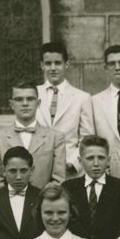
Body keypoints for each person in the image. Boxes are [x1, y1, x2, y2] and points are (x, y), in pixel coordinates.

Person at [62, 135, 120, 239]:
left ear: (108, 160)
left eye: (101, 158)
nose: (96, 163)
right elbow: (68, 222)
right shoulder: (68, 187)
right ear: (80, 160)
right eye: (90, 158)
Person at [0, 80, 66, 190]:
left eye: (30, 99)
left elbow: (59, 179)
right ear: (11, 104)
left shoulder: (55, 138)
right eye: (19, 99)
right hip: (8, 203)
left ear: (38, 103)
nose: (25, 103)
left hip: (42, 203)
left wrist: (43, 202)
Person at [36, 40, 93, 174]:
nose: (53, 68)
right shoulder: (33, 94)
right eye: (48, 63)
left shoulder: (82, 98)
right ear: (42, 66)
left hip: (69, 170)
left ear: (66, 65)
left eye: (58, 63)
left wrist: (72, 163)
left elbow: (87, 137)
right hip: (37, 168)